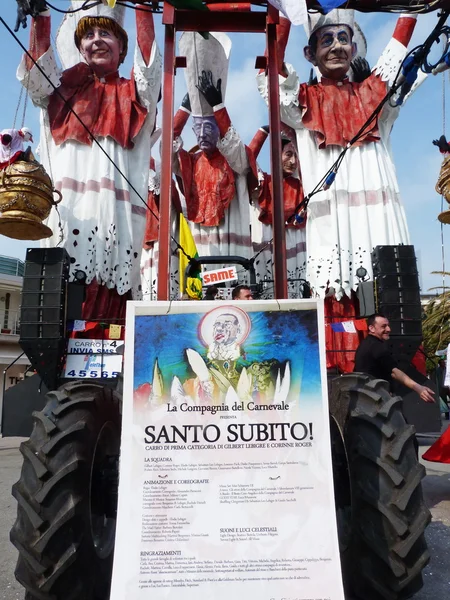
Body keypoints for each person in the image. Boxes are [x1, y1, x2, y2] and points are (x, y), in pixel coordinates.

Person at [17, 1, 161, 319]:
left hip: (118, 229)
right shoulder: (59, 89)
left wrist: (144, 10)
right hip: (66, 226)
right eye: (89, 34)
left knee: (112, 329)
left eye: (106, 33)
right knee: (57, 319)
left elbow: (151, 71)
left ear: (122, 48)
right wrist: (41, 17)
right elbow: (37, 75)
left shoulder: (136, 93)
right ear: (80, 47)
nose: (96, 39)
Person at [173, 32, 255, 262]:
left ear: (219, 129)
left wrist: (218, 107)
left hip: (231, 243)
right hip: (201, 243)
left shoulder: (233, 158)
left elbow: (237, 151)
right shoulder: (190, 162)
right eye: (196, 128)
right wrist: (184, 111)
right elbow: (166, 149)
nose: (201, 134)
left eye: (208, 128)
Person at [249, 125, 306, 298]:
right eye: (288, 154)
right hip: (266, 244)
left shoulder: (303, 184)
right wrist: (263, 131)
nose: (293, 161)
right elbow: (247, 160)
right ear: (275, 155)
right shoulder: (264, 181)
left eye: (296, 155)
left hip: (298, 245)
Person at [354, 314, 435, 403]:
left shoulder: (366, 344)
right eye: (383, 326)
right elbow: (394, 372)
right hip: (373, 399)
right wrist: (419, 388)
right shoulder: (376, 347)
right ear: (371, 328)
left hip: (367, 397)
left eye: (388, 326)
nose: (388, 329)